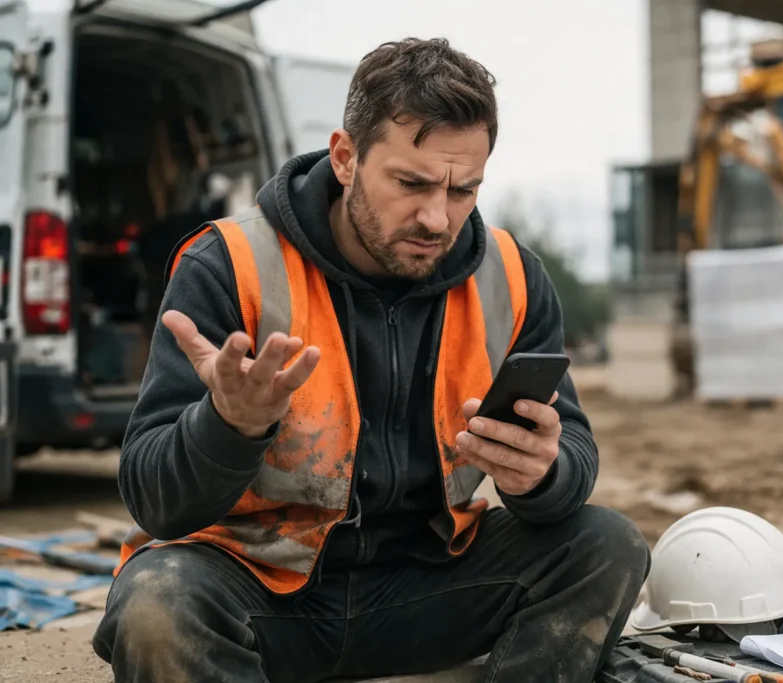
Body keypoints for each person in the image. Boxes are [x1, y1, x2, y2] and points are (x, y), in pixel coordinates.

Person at [92, 37, 650, 683]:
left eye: (464, 189)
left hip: (428, 587)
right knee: (157, 604)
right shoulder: (228, 265)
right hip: (260, 589)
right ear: (345, 157)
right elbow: (155, 503)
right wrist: (227, 425)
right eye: (411, 183)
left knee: (605, 545)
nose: (437, 218)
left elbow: (570, 449)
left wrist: (545, 475)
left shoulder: (512, 277)